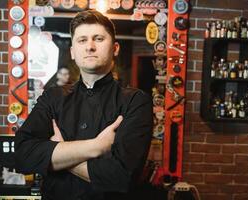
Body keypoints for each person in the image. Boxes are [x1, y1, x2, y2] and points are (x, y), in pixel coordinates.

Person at [15, 10, 153, 200]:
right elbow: (23, 155)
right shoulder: (52, 97)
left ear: (115, 48)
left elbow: (121, 176)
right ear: (72, 52)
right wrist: (95, 147)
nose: (90, 46)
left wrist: (60, 152)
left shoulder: (135, 101)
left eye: (98, 38)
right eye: (82, 40)